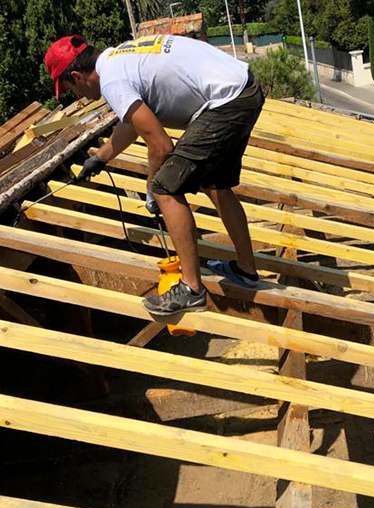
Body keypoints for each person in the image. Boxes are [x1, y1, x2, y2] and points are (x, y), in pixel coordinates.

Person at [44, 33, 264, 315]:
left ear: (76, 75)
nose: (78, 96)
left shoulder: (112, 81)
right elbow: (132, 123)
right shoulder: (118, 58)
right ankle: (246, 270)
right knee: (215, 184)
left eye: (71, 88)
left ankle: (192, 289)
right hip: (242, 90)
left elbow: (161, 146)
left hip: (224, 103)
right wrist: (100, 158)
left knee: (165, 189)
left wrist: (152, 191)